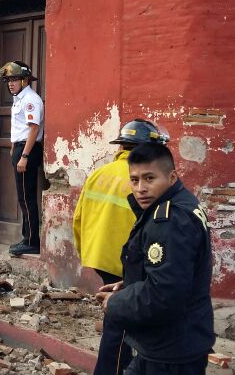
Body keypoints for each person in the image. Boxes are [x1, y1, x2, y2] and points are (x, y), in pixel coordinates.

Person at [98, 142, 215, 375]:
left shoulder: (169, 220)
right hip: (165, 343)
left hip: (172, 352)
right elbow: (172, 272)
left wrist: (115, 303)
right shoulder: (179, 203)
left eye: (149, 178)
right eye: (134, 180)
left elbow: (164, 293)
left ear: (171, 177)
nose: (140, 188)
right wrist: (128, 285)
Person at [73, 119, 169, 375]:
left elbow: (78, 218)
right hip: (129, 264)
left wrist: (87, 251)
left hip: (100, 257)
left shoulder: (99, 173)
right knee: (122, 327)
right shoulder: (144, 178)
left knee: (120, 321)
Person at [0, 60, 44, 256]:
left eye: (14, 79)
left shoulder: (30, 99)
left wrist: (24, 155)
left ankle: (32, 241)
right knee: (23, 197)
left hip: (28, 150)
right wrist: (14, 147)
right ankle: (27, 237)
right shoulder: (20, 99)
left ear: (25, 80)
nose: (10, 83)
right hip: (20, 148)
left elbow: (34, 128)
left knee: (27, 197)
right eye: (8, 80)